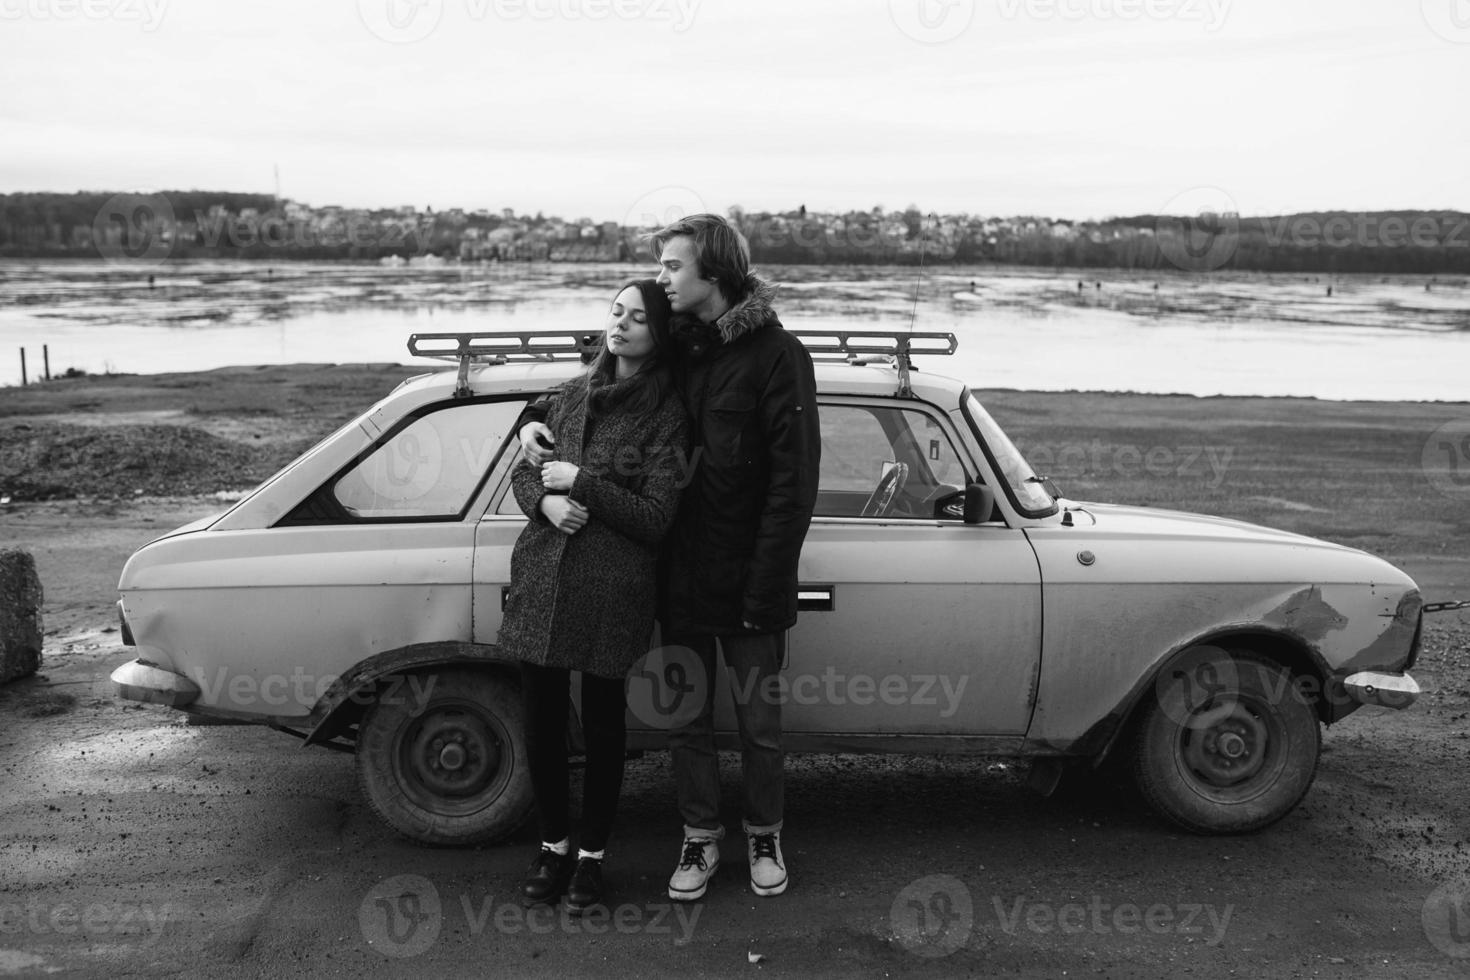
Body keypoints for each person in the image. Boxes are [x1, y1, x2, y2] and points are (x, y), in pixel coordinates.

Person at [522, 213, 820, 901]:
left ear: (713, 273)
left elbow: (793, 484)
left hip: (751, 577)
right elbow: (589, 389)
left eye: (671, 267)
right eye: (658, 267)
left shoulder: (779, 355)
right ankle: (699, 838)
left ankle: (765, 834)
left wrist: (766, 584)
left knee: (758, 727)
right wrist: (528, 417)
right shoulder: (680, 349)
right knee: (686, 722)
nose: (661, 278)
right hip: (676, 574)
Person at [499, 278, 690, 913]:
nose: (622, 325)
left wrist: (583, 485)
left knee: (605, 728)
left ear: (659, 332)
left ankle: (591, 859)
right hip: (540, 579)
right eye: (616, 312)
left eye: (638, 318)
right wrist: (547, 501)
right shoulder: (573, 391)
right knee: (542, 724)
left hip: (612, 588)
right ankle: (552, 845)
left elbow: (657, 517)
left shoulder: (667, 413)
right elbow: (524, 470)